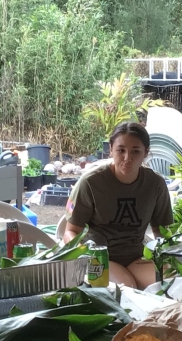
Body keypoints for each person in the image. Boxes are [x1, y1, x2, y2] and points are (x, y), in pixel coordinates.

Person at [64, 122, 173, 288]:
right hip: (101, 258)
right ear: (111, 149)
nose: (127, 157)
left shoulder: (155, 184)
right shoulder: (91, 182)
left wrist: (168, 257)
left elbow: (162, 231)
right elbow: (70, 231)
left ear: (146, 152)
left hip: (137, 257)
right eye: (121, 150)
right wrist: (86, 257)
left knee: (170, 282)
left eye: (135, 151)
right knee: (126, 288)